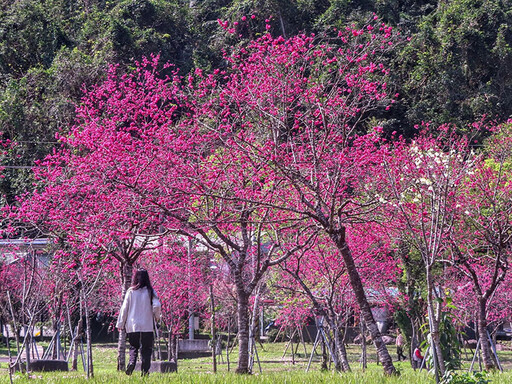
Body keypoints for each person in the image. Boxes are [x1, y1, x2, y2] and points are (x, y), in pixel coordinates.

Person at [116, 269, 161, 376]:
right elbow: (157, 305)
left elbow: (124, 308)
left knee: (133, 346)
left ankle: (132, 363)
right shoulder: (150, 291)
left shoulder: (131, 291)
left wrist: (120, 323)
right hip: (147, 325)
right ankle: (145, 372)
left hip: (133, 325)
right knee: (146, 349)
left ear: (135, 277)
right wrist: (157, 317)